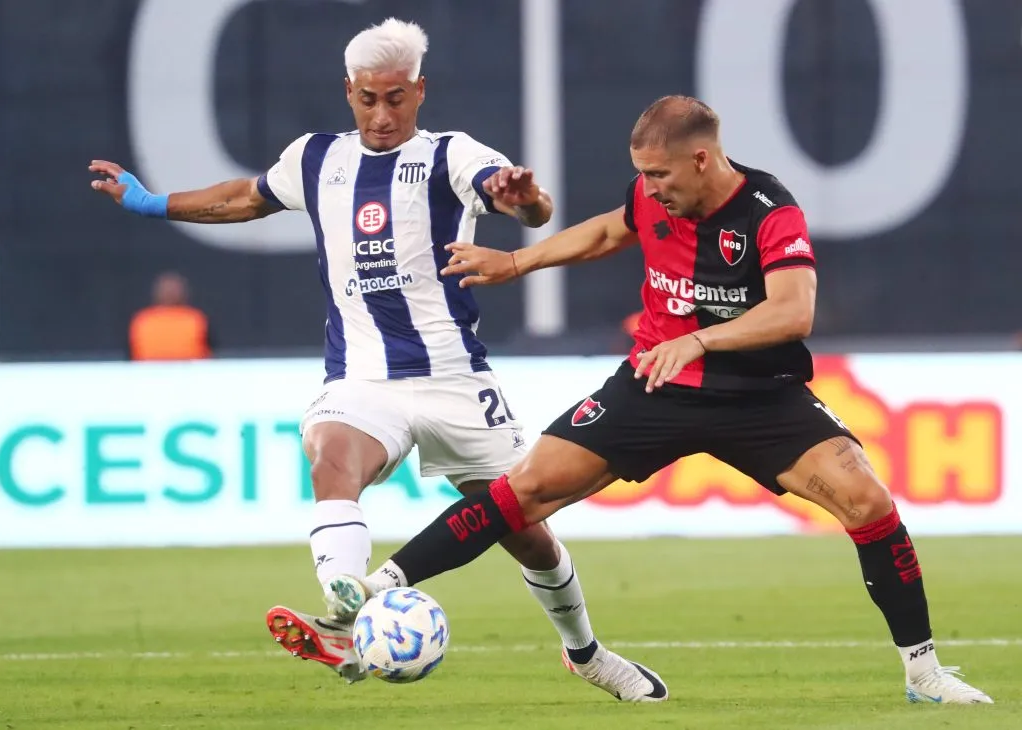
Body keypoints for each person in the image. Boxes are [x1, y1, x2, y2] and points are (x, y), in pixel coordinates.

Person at [325, 95, 993, 705]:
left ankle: (924, 672)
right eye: (641, 176)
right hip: (654, 387)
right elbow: (609, 230)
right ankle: (378, 587)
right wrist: (516, 262)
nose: (649, 190)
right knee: (521, 491)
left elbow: (794, 312)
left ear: (701, 159)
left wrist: (701, 341)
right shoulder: (653, 199)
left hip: (761, 396)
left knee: (868, 501)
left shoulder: (770, 212)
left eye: (660, 175)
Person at [89, 18, 667, 701]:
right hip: (363, 380)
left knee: (527, 534)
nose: (383, 113)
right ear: (348, 92)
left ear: (420, 91)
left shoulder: (452, 154)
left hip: (456, 379)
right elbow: (245, 198)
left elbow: (530, 209)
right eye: (368, 99)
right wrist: (152, 202)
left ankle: (587, 653)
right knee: (332, 454)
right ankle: (345, 613)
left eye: (396, 98)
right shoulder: (316, 159)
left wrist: (526, 199)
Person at [128, 271, 213, 361]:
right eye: (166, 289)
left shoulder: (196, 318)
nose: (170, 292)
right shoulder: (142, 320)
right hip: (148, 372)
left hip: (191, 372)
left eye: (174, 289)